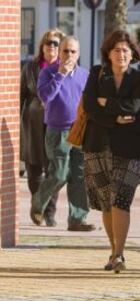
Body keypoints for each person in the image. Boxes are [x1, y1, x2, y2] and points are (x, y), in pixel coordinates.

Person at [82, 30, 140, 273]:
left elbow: (136, 106)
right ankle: (113, 252)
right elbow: (89, 106)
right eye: (116, 50)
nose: (121, 54)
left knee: (121, 199)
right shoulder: (96, 74)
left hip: (131, 148)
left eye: (125, 50)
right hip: (98, 146)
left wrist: (106, 103)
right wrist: (115, 119)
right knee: (108, 203)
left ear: (133, 54)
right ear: (108, 54)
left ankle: (119, 253)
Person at [30, 36, 95, 232]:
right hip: (57, 131)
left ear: (78, 54)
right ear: (59, 52)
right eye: (65, 51)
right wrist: (61, 75)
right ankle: (38, 202)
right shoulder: (48, 72)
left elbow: (89, 103)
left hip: (80, 131)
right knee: (59, 173)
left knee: (80, 176)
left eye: (73, 51)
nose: (68, 55)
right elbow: (45, 96)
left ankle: (77, 219)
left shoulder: (85, 75)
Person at [20, 28, 65, 227]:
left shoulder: (66, 68)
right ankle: (37, 205)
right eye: (49, 43)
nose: (52, 47)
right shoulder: (30, 67)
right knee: (34, 168)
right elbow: (21, 95)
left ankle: (49, 212)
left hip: (55, 123)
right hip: (32, 123)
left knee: (55, 169)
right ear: (42, 46)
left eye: (56, 43)